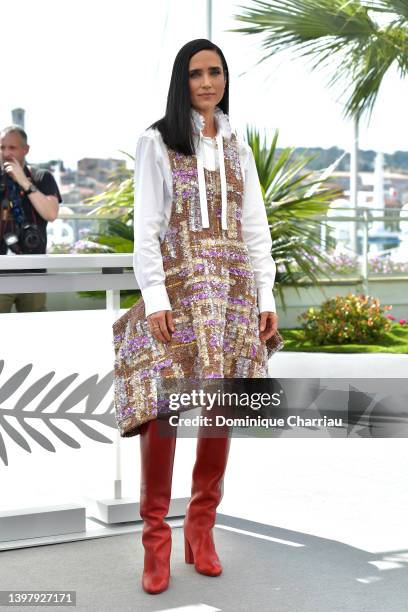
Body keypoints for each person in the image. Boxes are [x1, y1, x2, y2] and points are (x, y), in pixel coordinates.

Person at [112, 38, 280, 595]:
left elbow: (254, 224)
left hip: (232, 295)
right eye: (195, 74)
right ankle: (155, 540)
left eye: (215, 72)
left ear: (226, 79)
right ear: (181, 82)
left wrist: (266, 297)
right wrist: (156, 297)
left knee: (219, 409)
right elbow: (147, 229)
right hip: (180, 293)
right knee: (164, 411)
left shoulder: (236, 143)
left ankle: (201, 530)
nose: (207, 83)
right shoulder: (156, 141)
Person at [0, 125, 62, 313]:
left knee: (35, 332)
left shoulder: (41, 177)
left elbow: (51, 214)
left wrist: (23, 181)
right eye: (2, 148)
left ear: (26, 149)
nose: (6, 153)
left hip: (33, 270)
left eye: (12, 148)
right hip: (1, 272)